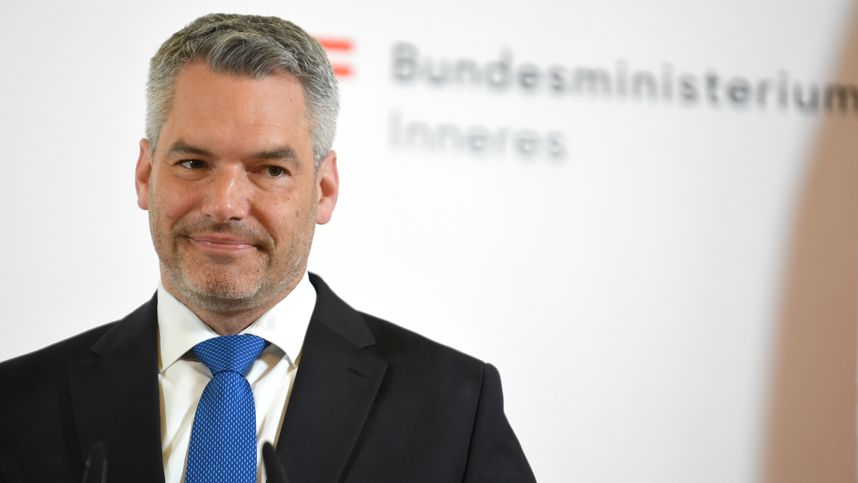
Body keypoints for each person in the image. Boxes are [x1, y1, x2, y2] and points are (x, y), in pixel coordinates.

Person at [0, 13, 535, 483]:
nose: (225, 204)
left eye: (271, 170)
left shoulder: (455, 407)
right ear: (145, 175)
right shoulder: (16, 404)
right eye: (193, 163)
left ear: (324, 189)